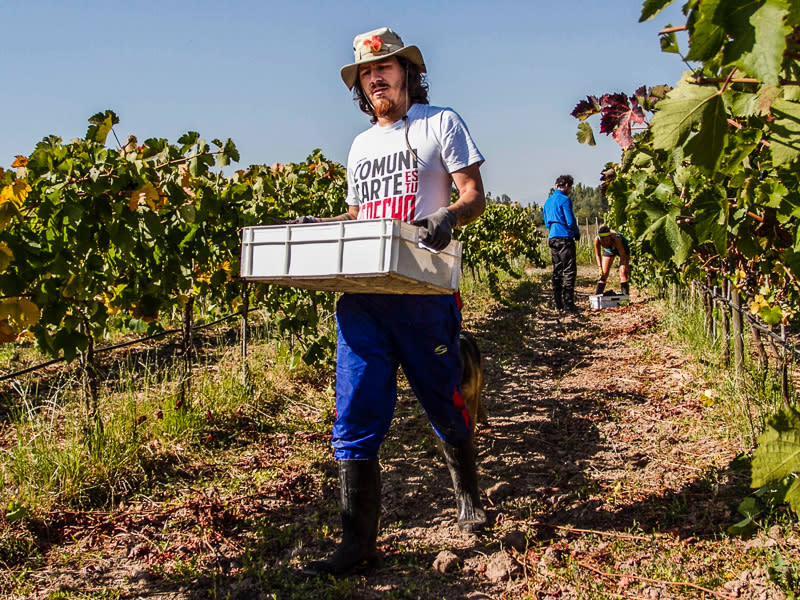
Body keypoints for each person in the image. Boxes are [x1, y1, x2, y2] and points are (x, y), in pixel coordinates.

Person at [302, 26, 487, 576]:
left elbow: (473, 194)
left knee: (442, 399)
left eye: (385, 67)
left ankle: (470, 497)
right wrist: (322, 230)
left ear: (408, 73)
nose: (376, 77)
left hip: (424, 292)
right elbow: (361, 219)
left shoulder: (441, 123)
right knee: (355, 410)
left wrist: (448, 216)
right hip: (364, 297)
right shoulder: (359, 146)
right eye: (366, 72)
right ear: (360, 86)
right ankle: (357, 545)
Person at [542, 175, 580, 312]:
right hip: (565, 237)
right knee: (569, 270)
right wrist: (576, 232)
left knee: (557, 270)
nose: (570, 190)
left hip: (552, 238)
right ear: (566, 186)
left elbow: (546, 223)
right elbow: (570, 221)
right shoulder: (565, 200)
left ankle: (558, 303)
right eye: (570, 187)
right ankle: (569, 303)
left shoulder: (547, 202)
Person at [593, 224, 630, 296]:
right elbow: (598, 255)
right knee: (603, 274)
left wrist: (624, 266)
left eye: (606, 240)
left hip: (623, 249)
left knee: (623, 272)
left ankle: (625, 297)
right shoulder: (597, 240)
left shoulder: (617, 239)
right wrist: (600, 268)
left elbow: (622, 255)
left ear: (610, 237)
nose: (604, 243)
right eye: (602, 241)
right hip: (609, 250)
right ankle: (598, 296)